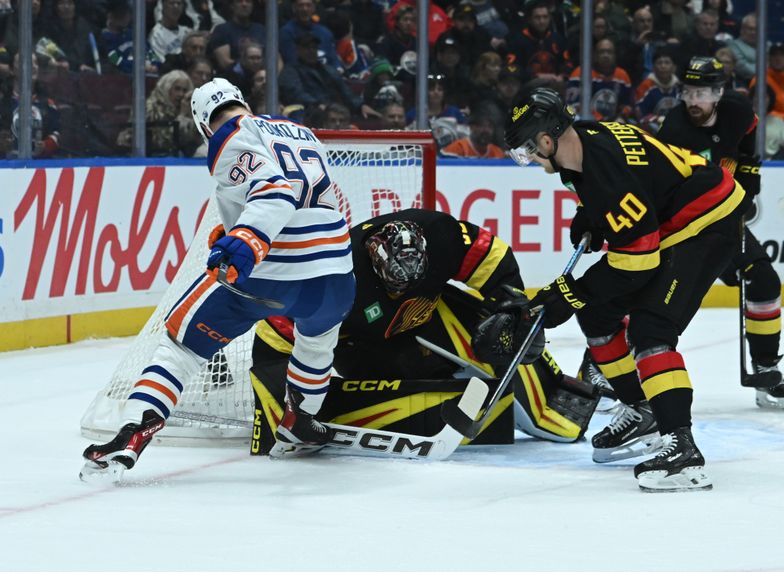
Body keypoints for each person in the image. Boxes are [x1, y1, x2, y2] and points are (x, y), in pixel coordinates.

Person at [81, 78, 355, 477]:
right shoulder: (302, 132)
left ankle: (136, 425)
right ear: (242, 101)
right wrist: (233, 231)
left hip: (272, 272)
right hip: (334, 276)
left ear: (203, 124)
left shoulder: (229, 135)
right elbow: (318, 199)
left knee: (180, 348)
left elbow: (275, 192)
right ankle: (301, 422)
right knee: (316, 344)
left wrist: (246, 242)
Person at [505, 87, 751, 491]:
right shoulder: (582, 140)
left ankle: (682, 447)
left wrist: (569, 293)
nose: (530, 158)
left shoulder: (603, 173)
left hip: (706, 223)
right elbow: (638, 183)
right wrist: (591, 215)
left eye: (529, 149)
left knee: (651, 330)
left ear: (547, 139)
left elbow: (637, 263)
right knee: (597, 313)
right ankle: (643, 410)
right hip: (669, 219)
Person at [251, 208, 600, 445]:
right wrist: (271, 414)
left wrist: (512, 307)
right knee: (411, 391)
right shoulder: (336, 272)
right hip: (360, 345)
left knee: (505, 343)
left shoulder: (440, 234)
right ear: (375, 260)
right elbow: (273, 333)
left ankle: (565, 384)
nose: (398, 288)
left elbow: (493, 255)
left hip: (430, 314)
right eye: (393, 283)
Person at [657, 56, 782, 406]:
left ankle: (765, 369)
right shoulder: (674, 131)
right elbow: (665, 188)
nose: (693, 101)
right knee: (658, 308)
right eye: (688, 93)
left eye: (701, 94)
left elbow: (747, 156)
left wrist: (745, 191)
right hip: (685, 227)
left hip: (723, 219)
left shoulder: (739, 113)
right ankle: (615, 376)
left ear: (718, 93)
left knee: (765, 281)